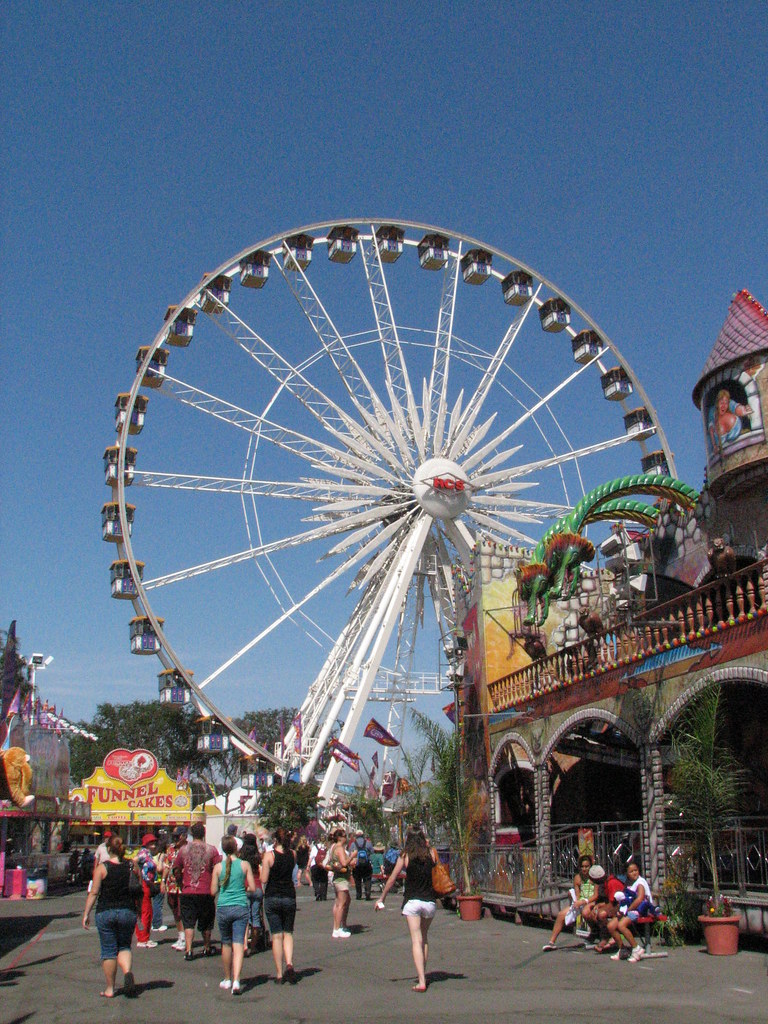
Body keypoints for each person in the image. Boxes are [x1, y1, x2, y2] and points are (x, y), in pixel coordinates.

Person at [375, 826, 438, 993]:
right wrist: (428, 845)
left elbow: (392, 878)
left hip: (412, 901)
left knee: (416, 940)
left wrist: (382, 898)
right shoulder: (431, 853)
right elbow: (436, 864)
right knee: (424, 939)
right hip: (430, 901)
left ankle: (422, 980)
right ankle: (421, 974)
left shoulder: (405, 856)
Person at [82, 834, 137, 998]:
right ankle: (127, 972)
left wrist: (86, 914)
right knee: (125, 947)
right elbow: (138, 887)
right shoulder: (131, 865)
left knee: (108, 951)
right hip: (127, 911)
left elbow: (94, 893)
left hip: (106, 911)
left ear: (108, 849)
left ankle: (110, 988)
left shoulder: (102, 868)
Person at [211, 835, 256, 994]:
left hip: (223, 906)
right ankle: (237, 980)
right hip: (240, 906)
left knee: (226, 943)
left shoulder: (218, 867)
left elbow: (213, 891)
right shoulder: (245, 865)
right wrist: (241, 889)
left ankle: (227, 978)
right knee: (238, 944)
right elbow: (252, 887)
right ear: (237, 848)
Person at [174, 821, 221, 960]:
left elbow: (176, 868)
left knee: (188, 921)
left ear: (191, 834)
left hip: (188, 889)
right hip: (205, 890)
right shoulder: (211, 850)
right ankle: (207, 947)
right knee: (206, 921)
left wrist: (180, 880)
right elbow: (218, 868)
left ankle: (189, 950)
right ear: (204, 834)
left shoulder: (183, 850)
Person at [261, 826, 298, 983]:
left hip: (273, 895)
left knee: (276, 935)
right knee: (288, 933)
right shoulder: (293, 854)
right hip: (289, 895)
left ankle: (279, 973)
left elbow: (263, 879)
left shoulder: (269, 856)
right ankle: (289, 963)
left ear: (275, 839)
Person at [542, 854, 598, 951]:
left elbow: (596, 895)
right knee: (561, 915)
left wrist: (585, 901)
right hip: (581, 902)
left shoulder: (594, 877)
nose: (584, 869)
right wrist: (575, 900)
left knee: (586, 911)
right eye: (582, 867)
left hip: (592, 901)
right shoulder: (577, 878)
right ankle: (551, 942)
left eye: (586, 866)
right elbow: (577, 895)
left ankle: (594, 934)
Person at [607, 858, 652, 962]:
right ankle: (622, 948)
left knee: (621, 925)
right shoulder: (628, 883)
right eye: (631, 871)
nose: (634, 873)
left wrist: (628, 910)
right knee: (611, 926)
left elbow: (640, 899)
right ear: (627, 873)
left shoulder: (640, 882)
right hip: (630, 910)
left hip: (641, 910)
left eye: (635, 870)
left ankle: (636, 948)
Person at [328, 827, 356, 938]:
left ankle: (338, 926)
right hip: (341, 879)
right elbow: (344, 863)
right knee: (341, 904)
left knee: (340, 902)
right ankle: (337, 928)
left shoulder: (334, 847)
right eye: (345, 836)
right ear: (339, 838)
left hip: (338, 877)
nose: (346, 838)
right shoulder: (339, 848)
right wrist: (352, 856)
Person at [239, 833, 265, 953]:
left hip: (245, 887)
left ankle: (244, 944)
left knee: (245, 917)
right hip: (257, 887)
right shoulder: (257, 856)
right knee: (256, 917)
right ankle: (254, 946)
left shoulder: (241, 856)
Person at [134, 833, 159, 949]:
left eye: (154, 843)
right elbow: (134, 861)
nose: (153, 845)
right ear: (146, 844)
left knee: (145, 911)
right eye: (151, 843)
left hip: (146, 884)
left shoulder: (147, 853)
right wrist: (139, 874)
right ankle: (143, 938)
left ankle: (144, 937)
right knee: (146, 912)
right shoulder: (144, 853)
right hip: (144, 884)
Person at [163, 827, 187, 950]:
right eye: (174, 836)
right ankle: (181, 936)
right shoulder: (170, 849)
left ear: (184, 836)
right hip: (171, 886)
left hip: (184, 886)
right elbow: (167, 866)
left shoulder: (189, 849)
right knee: (175, 911)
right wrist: (163, 881)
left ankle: (186, 939)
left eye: (178, 836)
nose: (176, 839)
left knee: (184, 912)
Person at [151, 837, 168, 932]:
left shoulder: (153, 855)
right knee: (158, 904)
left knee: (155, 903)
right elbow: (160, 869)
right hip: (159, 881)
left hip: (152, 882)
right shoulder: (162, 856)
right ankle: (157, 924)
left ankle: (154, 922)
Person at [351, 829, 374, 900]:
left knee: (357, 879)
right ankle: (367, 893)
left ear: (356, 836)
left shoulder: (353, 844)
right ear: (363, 835)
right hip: (366, 864)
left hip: (357, 865)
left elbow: (350, 854)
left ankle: (359, 894)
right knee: (367, 879)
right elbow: (372, 853)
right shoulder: (368, 843)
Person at [310, 834, 329, 901]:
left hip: (315, 865)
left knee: (315, 880)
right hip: (324, 866)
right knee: (324, 881)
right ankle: (323, 896)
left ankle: (317, 892)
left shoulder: (315, 847)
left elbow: (311, 857)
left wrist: (308, 865)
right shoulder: (327, 847)